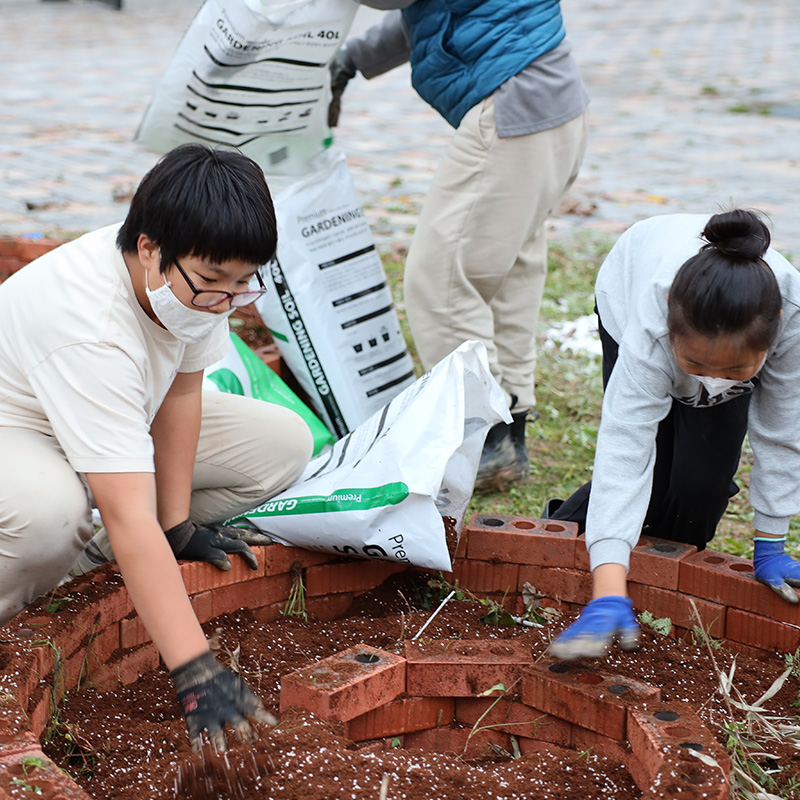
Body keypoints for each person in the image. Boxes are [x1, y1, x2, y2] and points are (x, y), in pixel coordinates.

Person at [0, 143, 314, 748]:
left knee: (280, 443)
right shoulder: (90, 325)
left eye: (242, 284)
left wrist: (174, 525)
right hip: (18, 430)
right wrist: (196, 668)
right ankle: (20, 614)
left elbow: (179, 395)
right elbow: (125, 510)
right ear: (149, 248)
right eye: (213, 283)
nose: (226, 299)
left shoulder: (196, 278)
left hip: (111, 414)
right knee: (47, 513)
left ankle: (92, 564)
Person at [328, 0, 589, 491]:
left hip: (514, 100)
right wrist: (354, 58)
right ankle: (507, 438)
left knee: (442, 280)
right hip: (550, 100)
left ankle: (483, 439)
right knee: (506, 276)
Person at [545, 209, 800, 661]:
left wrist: (771, 542)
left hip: (728, 327)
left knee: (703, 489)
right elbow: (626, 447)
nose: (715, 384)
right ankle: (585, 563)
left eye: (734, 372)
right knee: (655, 470)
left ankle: (656, 583)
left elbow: (783, 432)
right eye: (698, 367)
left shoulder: (790, 321)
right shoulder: (650, 326)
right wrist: (608, 589)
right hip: (629, 287)